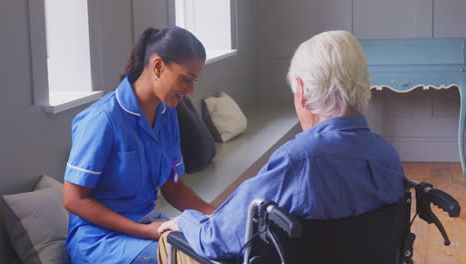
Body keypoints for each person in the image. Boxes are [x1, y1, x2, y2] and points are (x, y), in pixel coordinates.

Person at [156, 30, 407, 263]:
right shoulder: (389, 159)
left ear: (303, 92)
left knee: (171, 240)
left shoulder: (297, 162)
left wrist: (187, 220)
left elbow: (217, 239)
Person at [62, 26, 216, 264]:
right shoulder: (103, 119)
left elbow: (173, 187)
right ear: (158, 66)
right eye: (186, 79)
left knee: (217, 249)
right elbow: (73, 199)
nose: (191, 90)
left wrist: (217, 216)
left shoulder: (168, 115)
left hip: (146, 224)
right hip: (100, 240)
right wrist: (146, 231)